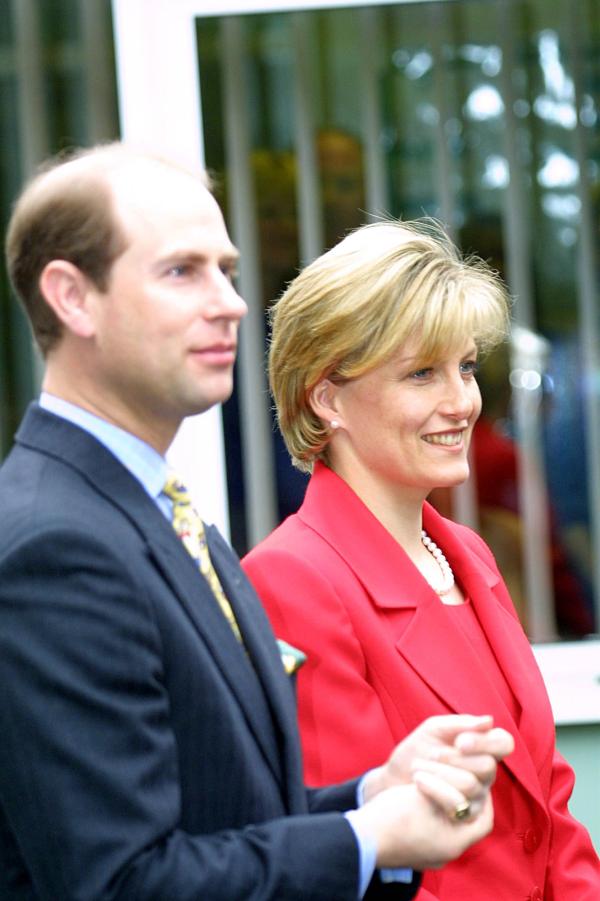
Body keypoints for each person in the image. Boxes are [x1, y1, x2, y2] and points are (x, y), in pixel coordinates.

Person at [0, 144, 514, 901]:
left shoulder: (163, 515)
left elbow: (225, 821)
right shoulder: (55, 544)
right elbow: (122, 882)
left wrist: (373, 797)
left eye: (227, 271)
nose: (231, 302)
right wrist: (369, 836)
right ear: (72, 298)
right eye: (182, 271)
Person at [242, 219, 600, 900]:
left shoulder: (465, 551)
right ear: (327, 397)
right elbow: (357, 857)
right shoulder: (293, 579)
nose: (462, 400)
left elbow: (550, 803)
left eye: (465, 366)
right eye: (422, 373)